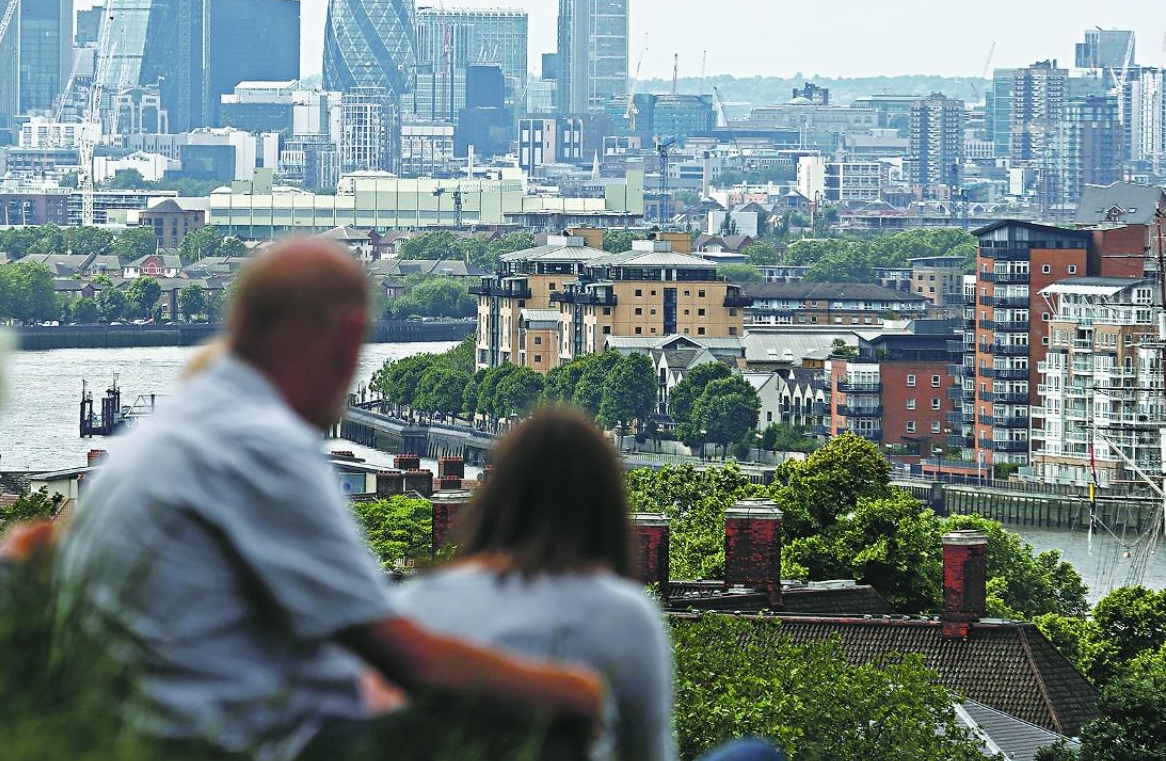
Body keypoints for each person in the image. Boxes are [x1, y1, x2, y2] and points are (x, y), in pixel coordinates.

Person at [56, 237, 604, 761]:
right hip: (249, 745)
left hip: (156, 734)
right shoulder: (262, 446)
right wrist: (574, 689)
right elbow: (409, 658)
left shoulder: (168, 435)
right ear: (347, 336)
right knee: (538, 728)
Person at [393, 406, 781, 761]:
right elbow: (649, 751)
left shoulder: (416, 601)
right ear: (605, 505)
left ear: (496, 497)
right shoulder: (624, 613)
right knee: (755, 754)